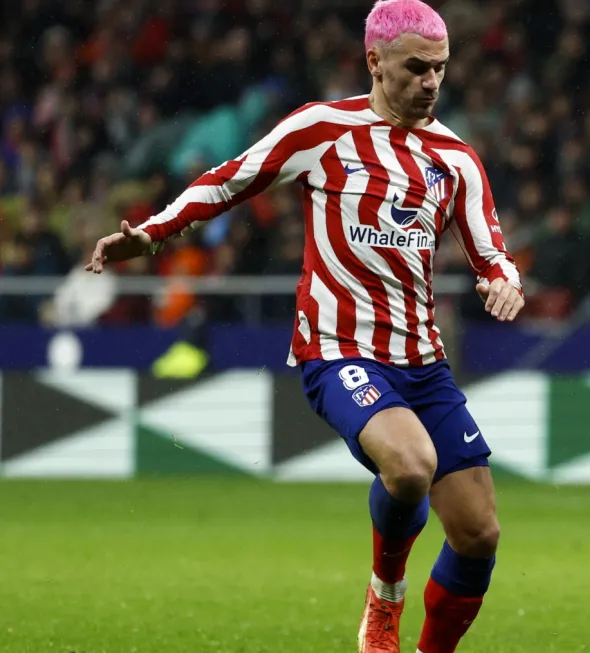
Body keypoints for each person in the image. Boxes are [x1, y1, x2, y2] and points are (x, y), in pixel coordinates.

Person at [85, 2, 523, 652]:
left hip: (422, 362)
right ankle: (385, 595)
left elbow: (490, 249)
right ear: (374, 61)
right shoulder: (323, 129)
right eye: (416, 68)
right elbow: (226, 181)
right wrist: (151, 235)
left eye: (439, 69)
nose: (431, 82)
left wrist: (502, 281)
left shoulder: (454, 158)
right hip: (338, 350)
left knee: (479, 533)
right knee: (409, 467)